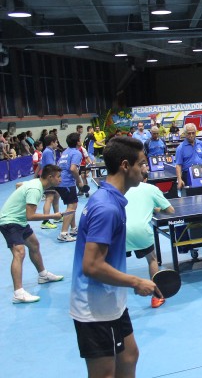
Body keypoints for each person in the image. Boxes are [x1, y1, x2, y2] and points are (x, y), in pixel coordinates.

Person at [70, 136, 157, 376]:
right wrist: (136, 281)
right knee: (104, 373)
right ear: (125, 165)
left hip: (112, 300)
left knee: (129, 356)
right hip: (95, 308)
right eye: (142, 163)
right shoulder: (106, 208)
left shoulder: (111, 198)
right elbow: (91, 265)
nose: (146, 169)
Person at [1, 164, 66, 304]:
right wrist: (53, 216)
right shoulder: (36, 189)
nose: (60, 179)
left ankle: (43, 275)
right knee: (19, 252)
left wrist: (20, 198)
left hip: (20, 220)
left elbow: (18, 185)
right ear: (50, 177)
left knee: (34, 245)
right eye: (58, 177)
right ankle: (18, 293)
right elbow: (30, 216)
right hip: (10, 221)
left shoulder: (36, 182)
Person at [125, 174, 174, 308]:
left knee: (115, 263)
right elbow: (170, 210)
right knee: (152, 259)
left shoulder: (122, 187)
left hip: (120, 230)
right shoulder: (151, 188)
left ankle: (113, 300)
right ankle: (156, 297)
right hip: (141, 231)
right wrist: (156, 208)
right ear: (145, 179)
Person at [55, 132, 85, 242]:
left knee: (71, 205)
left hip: (59, 181)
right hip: (67, 183)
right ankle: (63, 233)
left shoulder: (65, 151)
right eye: (80, 139)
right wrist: (79, 181)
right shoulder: (77, 153)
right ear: (78, 142)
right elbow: (73, 169)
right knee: (72, 206)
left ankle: (73, 228)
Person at [174, 123, 202, 190]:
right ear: (185, 134)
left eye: (193, 133)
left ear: (196, 132)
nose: (191, 135)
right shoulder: (180, 148)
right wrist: (179, 180)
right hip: (187, 175)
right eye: (189, 133)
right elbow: (178, 165)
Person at [40, 134, 61, 230]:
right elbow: (50, 166)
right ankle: (45, 221)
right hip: (49, 178)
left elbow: (41, 164)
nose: (57, 144)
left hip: (49, 177)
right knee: (49, 198)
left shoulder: (48, 151)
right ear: (52, 142)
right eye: (56, 142)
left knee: (56, 196)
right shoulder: (48, 152)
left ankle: (56, 217)